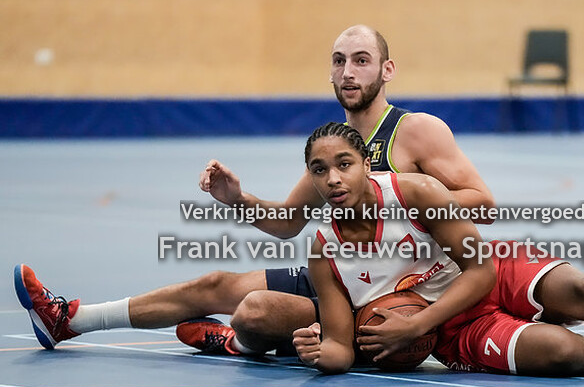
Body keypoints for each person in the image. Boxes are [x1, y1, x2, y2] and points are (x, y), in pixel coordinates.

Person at [13, 25, 495, 357]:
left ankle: (235, 343)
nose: (349, 72)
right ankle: (70, 319)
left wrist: (396, 194)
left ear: (386, 71)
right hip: (341, 279)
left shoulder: (416, 132)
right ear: (329, 73)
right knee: (214, 284)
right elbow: (288, 224)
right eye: (339, 61)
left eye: (362, 61)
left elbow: (484, 203)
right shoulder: (333, 150)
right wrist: (238, 200)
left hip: (396, 293)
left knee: (255, 313)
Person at [292, 122, 584, 385]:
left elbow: (479, 271)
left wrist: (416, 323)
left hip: (487, 272)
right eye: (320, 169)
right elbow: (339, 345)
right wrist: (320, 353)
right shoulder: (323, 252)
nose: (333, 178)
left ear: (363, 166)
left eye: (344, 164)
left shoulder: (415, 192)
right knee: (562, 353)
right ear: (311, 180)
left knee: (581, 289)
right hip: (454, 329)